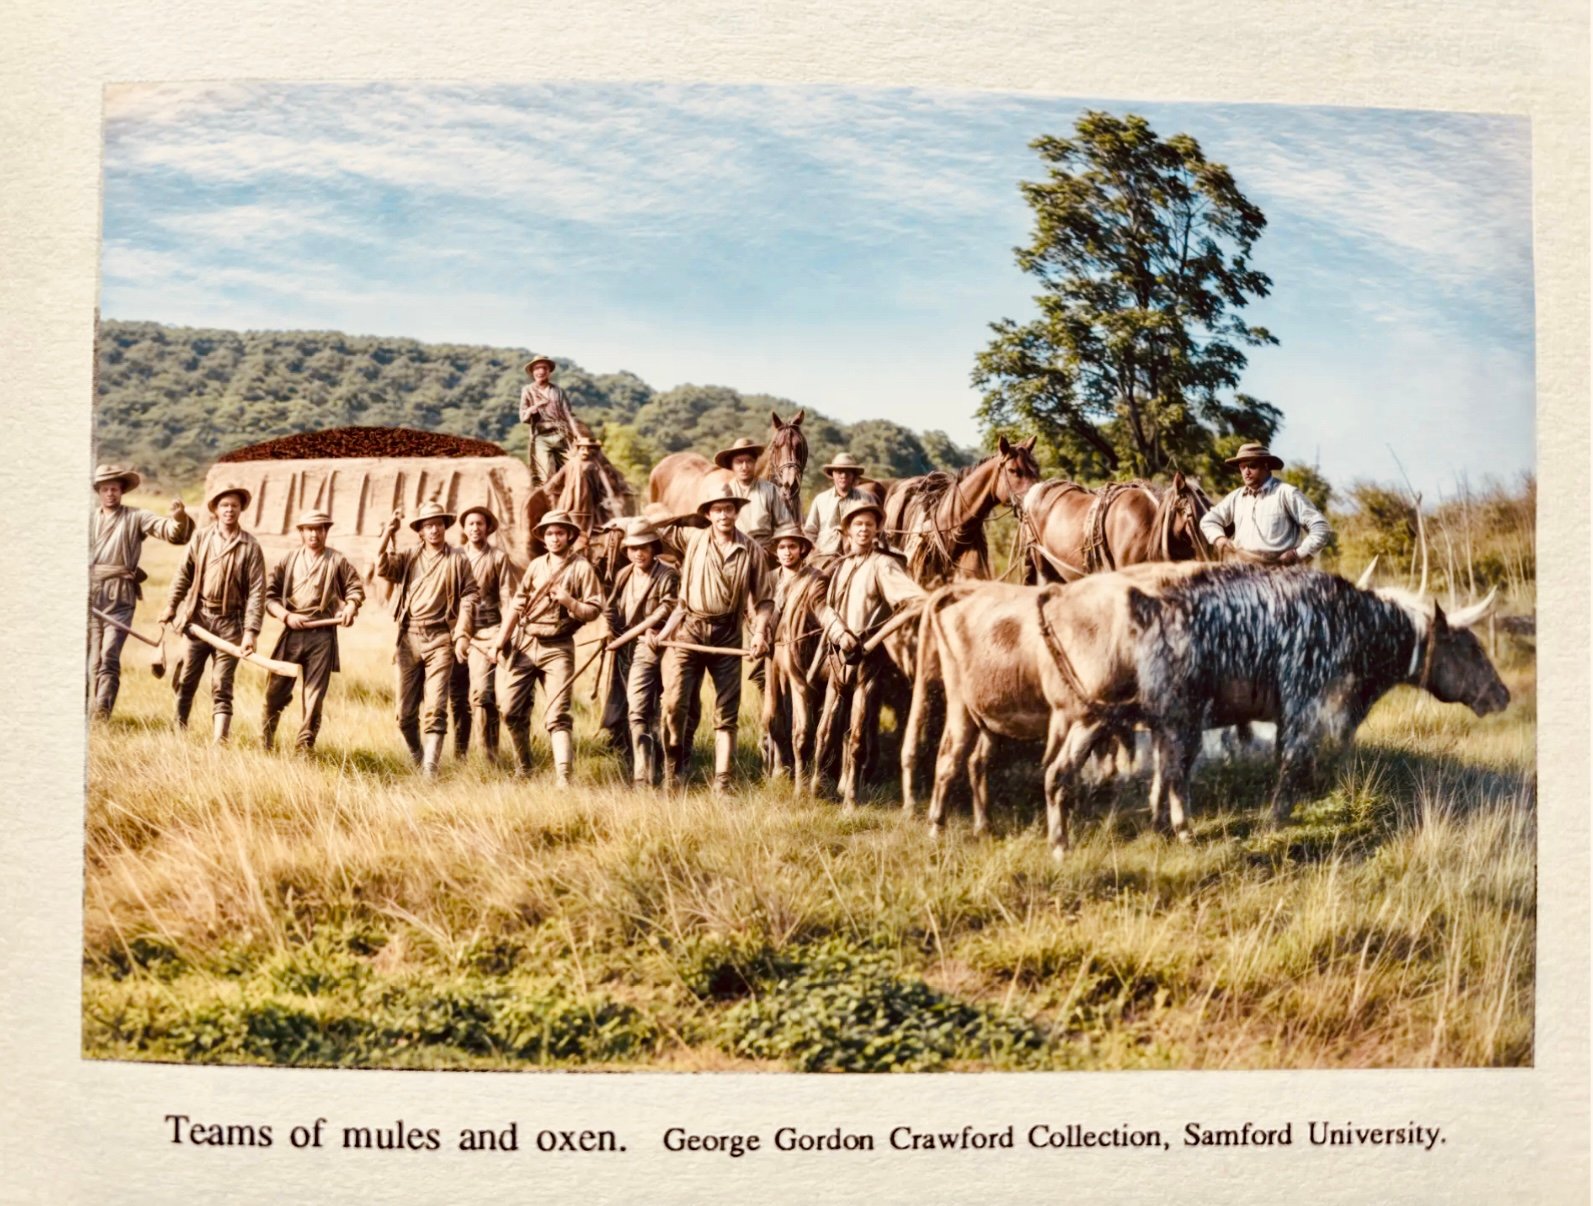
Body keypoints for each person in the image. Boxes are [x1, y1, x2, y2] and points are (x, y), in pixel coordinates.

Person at [652, 483, 775, 793]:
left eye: (729, 509)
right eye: (717, 509)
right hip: (690, 629)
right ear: (707, 514)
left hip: (727, 634)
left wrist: (759, 633)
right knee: (674, 704)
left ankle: (722, 781)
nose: (724, 515)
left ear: (736, 512)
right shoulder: (693, 540)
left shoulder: (751, 550)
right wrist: (688, 515)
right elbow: (656, 524)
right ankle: (675, 768)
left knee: (726, 712)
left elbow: (763, 601)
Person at [815, 499, 926, 804]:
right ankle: (820, 785)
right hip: (838, 654)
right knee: (827, 725)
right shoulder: (842, 565)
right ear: (847, 531)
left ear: (877, 529)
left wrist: (875, 640)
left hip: (868, 658)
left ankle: (852, 791)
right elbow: (826, 607)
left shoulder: (883, 564)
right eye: (857, 525)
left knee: (859, 726)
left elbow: (917, 602)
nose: (863, 530)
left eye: (869, 524)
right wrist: (839, 633)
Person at [491, 510, 603, 784]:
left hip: (558, 647)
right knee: (510, 710)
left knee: (558, 713)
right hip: (527, 644)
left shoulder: (581, 568)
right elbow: (517, 607)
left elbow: (594, 609)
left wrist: (569, 602)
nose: (555, 538)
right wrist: (499, 642)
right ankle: (524, 767)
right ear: (543, 538)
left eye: (560, 533)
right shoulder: (536, 566)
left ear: (570, 536)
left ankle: (564, 777)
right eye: (550, 533)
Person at [376, 498, 479, 775]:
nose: (433, 530)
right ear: (420, 530)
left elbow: (470, 594)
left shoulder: (458, 558)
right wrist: (388, 533)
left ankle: (429, 773)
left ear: (445, 527)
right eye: (427, 525)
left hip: (440, 639)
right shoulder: (409, 557)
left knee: (436, 708)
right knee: (404, 716)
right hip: (408, 638)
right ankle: (419, 758)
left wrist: (462, 632)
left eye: (438, 524)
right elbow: (383, 568)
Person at [160, 483, 267, 744]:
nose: (229, 510)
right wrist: (171, 606)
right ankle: (178, 731)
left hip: (231, 625)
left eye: (234, 505)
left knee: (222, 683)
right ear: (216, 510)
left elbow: (257, 592)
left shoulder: (250, 546)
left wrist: (250, 632)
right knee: (186, 680)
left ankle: (220, 741)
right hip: (199, 619)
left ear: (241, 509)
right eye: (224, 505)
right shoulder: (201, 538)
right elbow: (183, 575)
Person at [87, 463, 193, 718]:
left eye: (115, 488)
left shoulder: (136, 517)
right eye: (105, 489)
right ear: (98, 492)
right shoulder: (88, 520)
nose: (110, 493)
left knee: (109, 654)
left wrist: (178, 519)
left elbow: (170, 531)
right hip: (90, 595)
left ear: (122, 491)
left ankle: (102, 711)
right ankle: (83, 713)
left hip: (120, 595)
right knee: (90, 659)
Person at [260, 509, 363, 752]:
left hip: (322, 637)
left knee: (314, 697)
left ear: (326, 531)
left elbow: (355, 589)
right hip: (292, 633)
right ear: (302, 532)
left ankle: (304, 749)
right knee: (274, 692)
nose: (314, 534)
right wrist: (286, 616)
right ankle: (266, 743)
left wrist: (350, 606)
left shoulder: (337, 560)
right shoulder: (289, 560)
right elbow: (270, 597)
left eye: (319, 529)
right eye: (309, 529)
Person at [601, 518, 681, 786]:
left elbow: (666, 610)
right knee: (635, 710)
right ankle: (642, 771)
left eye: (644, 547)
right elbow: (611, 605)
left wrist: (640, 632)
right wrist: (612, 631)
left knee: (662, 709)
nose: (638, 553)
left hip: (660, 646)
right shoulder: (624, 575)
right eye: (633, 548)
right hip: (627, 648)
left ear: (654, 547)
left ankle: (660, 772)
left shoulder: (668, 574)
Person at [447, 504, 517, 763]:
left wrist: (505, 634)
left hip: (488, 632)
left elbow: (507, 597)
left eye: (480, 523)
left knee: (484, 695)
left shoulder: (498, 557)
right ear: (464, 528)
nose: (475, 528)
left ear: (487, 528)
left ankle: (489, 758)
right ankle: (459, 755)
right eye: (471, 524)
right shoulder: (454, 556)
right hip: (455, 633)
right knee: (457, 695)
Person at [1199, 443, 1332, 565]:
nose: (1246, 472)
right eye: (1242, 467)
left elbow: (1321, 528)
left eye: (1252, 466)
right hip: (1241, 572)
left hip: (1279, 572)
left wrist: (1297, 554)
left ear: (1266, 466)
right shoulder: (1236, 497)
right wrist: (1219, 539)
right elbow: (1208, 521)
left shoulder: (1286, 493)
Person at [714, 436, 793, 549]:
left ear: (755, 462)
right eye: (739, 462)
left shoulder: (771, 490)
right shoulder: (724, 492)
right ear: (732, 465)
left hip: (765, 549)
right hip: (733, 548)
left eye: (749, 461)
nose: (744, 467)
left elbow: (785, 525)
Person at [519, 354, 578, 490]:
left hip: (562, 435)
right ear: (533, 372)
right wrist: (533, 409)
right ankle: (544, 504)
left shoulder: (558, 391)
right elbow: (522, 416)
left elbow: (568, 414)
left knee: (573, 471)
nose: (541, 371)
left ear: (549, 371)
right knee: (542, 476)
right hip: (541, 437)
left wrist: (576, 434)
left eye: (544, 368)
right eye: (537, 368)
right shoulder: (528, 390)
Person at [803, 452, 868, 559]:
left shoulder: (865, 499)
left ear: (853, 475)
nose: (843, 476)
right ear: (832, 474)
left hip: (856, 554)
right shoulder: (821, 499)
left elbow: (874, 529)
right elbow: (810, 531)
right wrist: (812, 552)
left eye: (848, 472)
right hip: (824, 554)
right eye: (839, 472)